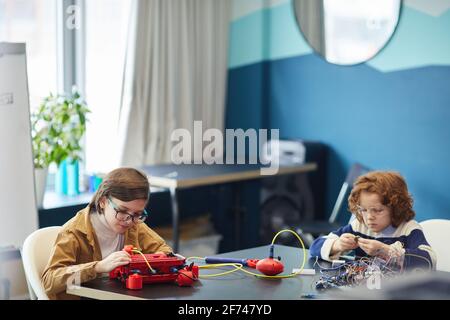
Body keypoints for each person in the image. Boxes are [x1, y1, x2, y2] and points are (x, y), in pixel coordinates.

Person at [41, 167, 172, 299]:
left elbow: (164, 251)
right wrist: (97, 267)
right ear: (103, 201)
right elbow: (49, 280)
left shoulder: (134, 225)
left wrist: (157, 260)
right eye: (122, 210)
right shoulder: (73, 232)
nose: (128, 220)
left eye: (137, 214)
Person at [309, 171, 436, 270]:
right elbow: (314, 247)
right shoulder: (359, 226)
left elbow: (428, 261)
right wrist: (337, 245)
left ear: (396, 208)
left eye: (378, 210)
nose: (369, 217)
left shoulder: (408, 229)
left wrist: (386, 251)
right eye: (363, 210)